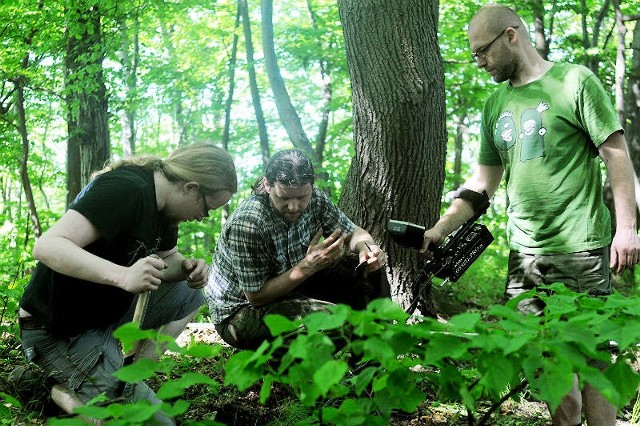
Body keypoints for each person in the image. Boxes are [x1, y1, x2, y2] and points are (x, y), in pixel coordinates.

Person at [420, 4, 640, 426]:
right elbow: (483, 182)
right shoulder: (494, 104)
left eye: (481, 52)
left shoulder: (575, 81)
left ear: (510, 36)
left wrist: (627, 227)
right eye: (472, 56)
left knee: (594, 362)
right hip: (524, 258)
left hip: (580, 249)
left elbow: (615, 153)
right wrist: (441, 229)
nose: (479, 62)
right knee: (547, 370)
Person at [17, 143, 237, 424]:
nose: (201, 217)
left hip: (101, 316)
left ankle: (127, 381)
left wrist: (185, 267)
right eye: (207, 208)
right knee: (152, 422)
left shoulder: (165, 208)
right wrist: (123, 276)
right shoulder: (127, 189)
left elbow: (166, 257)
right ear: (190, 187)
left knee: (187, 295)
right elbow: (47, 247)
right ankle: (57, 391)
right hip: (58, 329)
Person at [205, 148, 389, 350]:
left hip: (293, 285)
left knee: (366, 269)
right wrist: (308, 267)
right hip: (241, 312)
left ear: (311, 186)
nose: (294, 206)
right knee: (333, 322)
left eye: (302, 197)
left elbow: (354, 233)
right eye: (284, 198)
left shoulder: (316, 199)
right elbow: (256, 297)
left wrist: (367, 248)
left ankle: (373, 360)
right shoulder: (249, 223)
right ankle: (292, 371)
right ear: (267, 185)